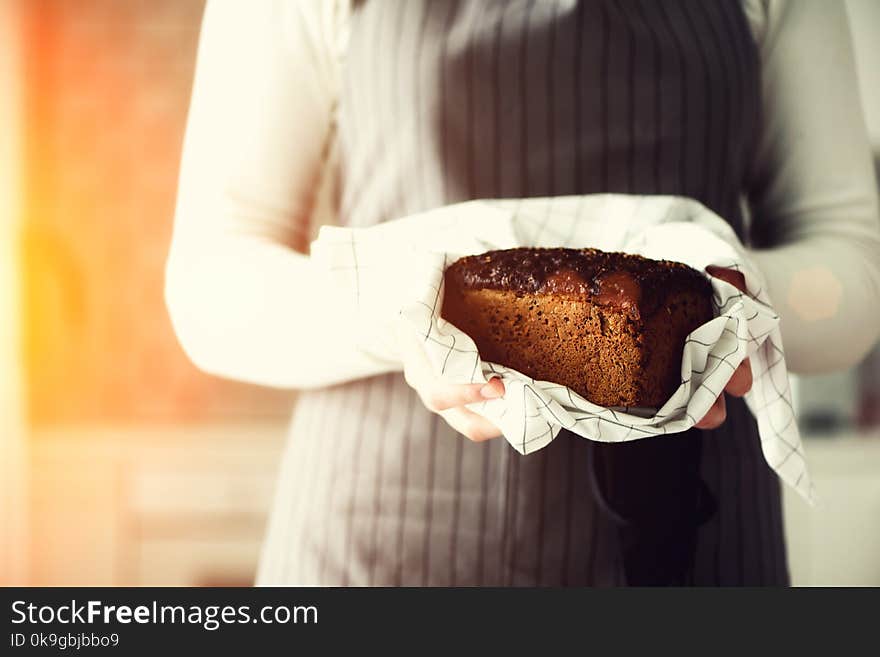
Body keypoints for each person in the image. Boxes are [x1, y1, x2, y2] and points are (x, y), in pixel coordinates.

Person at [165, 0, 880, 585]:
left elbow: (853, 263)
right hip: (381, 534)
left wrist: (732, 304)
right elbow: (210, 280)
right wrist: (415, 314)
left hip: (690, 531)